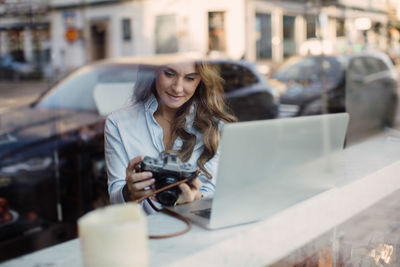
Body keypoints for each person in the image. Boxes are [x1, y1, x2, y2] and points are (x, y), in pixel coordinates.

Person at [104, 59, 237, 214]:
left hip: (196, 231)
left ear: (201, 80)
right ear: (152, 72)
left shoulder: (215, 127)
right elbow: (116, 198)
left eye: (190, 78)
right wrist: (128, 193)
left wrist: (196, 198)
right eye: (169, 74)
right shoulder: (119, 123)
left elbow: (216, 194)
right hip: (145, 232)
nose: (177, 88)